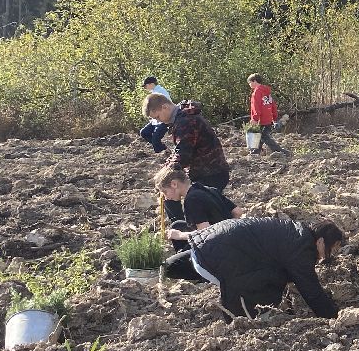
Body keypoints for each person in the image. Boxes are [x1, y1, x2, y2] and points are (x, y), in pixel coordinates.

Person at [162, 216, 342, 320]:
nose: (328, 256)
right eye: (331, 250)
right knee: (261, 286)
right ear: (320, 241)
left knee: (171, 267)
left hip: (209, 244)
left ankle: (162, 268)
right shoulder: (302, 248)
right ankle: (238, 320)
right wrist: (334, 317)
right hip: (218, 256)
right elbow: (311, 291)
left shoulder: (295, 232)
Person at [143, 93, 231, 191]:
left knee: (199, 204)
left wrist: (164, 175)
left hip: (210, 174)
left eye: (158, 117)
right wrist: (166, 167)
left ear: (165, 107)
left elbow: (183, 154)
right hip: (208, 172)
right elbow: (178, 150)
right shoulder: (182, 117)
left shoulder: (186, 122)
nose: (159, 121)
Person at [155, 166, 241, 234]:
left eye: (165, 192)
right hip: (230, 237)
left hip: (217, 247)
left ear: (174, 184)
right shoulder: (209, 189)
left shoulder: (191, 199)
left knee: (176, 231)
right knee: (178, 225)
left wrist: (179, 235)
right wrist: (229, 230)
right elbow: (237, 212)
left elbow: (205, 232)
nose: (166, 197)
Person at [246, 73, 287, 156]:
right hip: (268, 118)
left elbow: (256, 106)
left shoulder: (256, 92)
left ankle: (280, 151)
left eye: (249, 82)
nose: (249, 85)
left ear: (254, 81)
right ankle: (255, 153)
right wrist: (274, 117)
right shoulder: (267, 92)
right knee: (259, 135)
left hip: (261, 119)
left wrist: (255, 118)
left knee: (263, 136)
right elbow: (273, 105)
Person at [139, 76, 173, 152]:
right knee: (144, 133)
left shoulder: (161, 92)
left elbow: (166, 107)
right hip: (155, 120)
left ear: (151, 84)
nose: (145, 88)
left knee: (155, 139)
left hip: (164, 120)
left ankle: (161, 153)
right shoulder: (154, 92)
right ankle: (164, 149)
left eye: (145, 85)